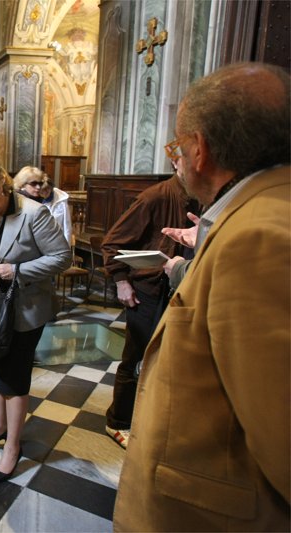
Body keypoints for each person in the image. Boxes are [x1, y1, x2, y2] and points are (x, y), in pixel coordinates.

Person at [114, 62, 290, 531]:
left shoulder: (261, 238)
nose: (177, 156)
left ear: (200, 151)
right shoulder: (258, 212)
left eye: (177, 145)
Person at [0, 155, 71, 484]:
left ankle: (13, 446)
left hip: (24, 309)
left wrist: (17, 271)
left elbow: (63, 257)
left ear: (2, 188)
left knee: (14, 377)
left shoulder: (34, 214)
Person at [100, 173, 198, 449]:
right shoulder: (154, 196)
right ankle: (118, 422)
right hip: (149, 292)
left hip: (180, 290)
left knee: (167, 362)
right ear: (178, 162)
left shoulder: (202, 197)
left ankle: (150, 420)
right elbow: (112, 243)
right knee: (135, 359)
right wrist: (121, 281)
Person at [39, 175, 73, 246]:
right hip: (42, 240)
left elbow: (67, 226)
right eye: (42, 190)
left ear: (51, 188)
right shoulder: (37, 200)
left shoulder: (61, 200)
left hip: (58, 241)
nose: (45, 192)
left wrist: (67, 247)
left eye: (47, 189)